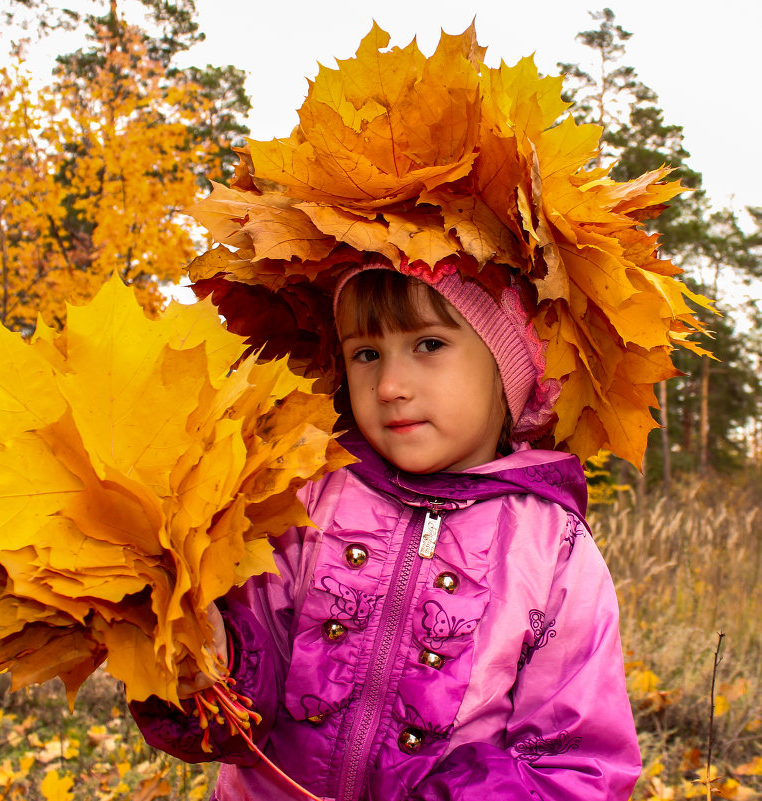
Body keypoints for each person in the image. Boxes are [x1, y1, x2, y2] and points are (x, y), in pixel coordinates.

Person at [130, 23, 704, 801]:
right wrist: (195, 665)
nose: (391, 384)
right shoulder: (304, 497)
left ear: (509, 373)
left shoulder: (553, 553)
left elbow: (577, 761)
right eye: (367, 354)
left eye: (427, 346)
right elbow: (240, 673)